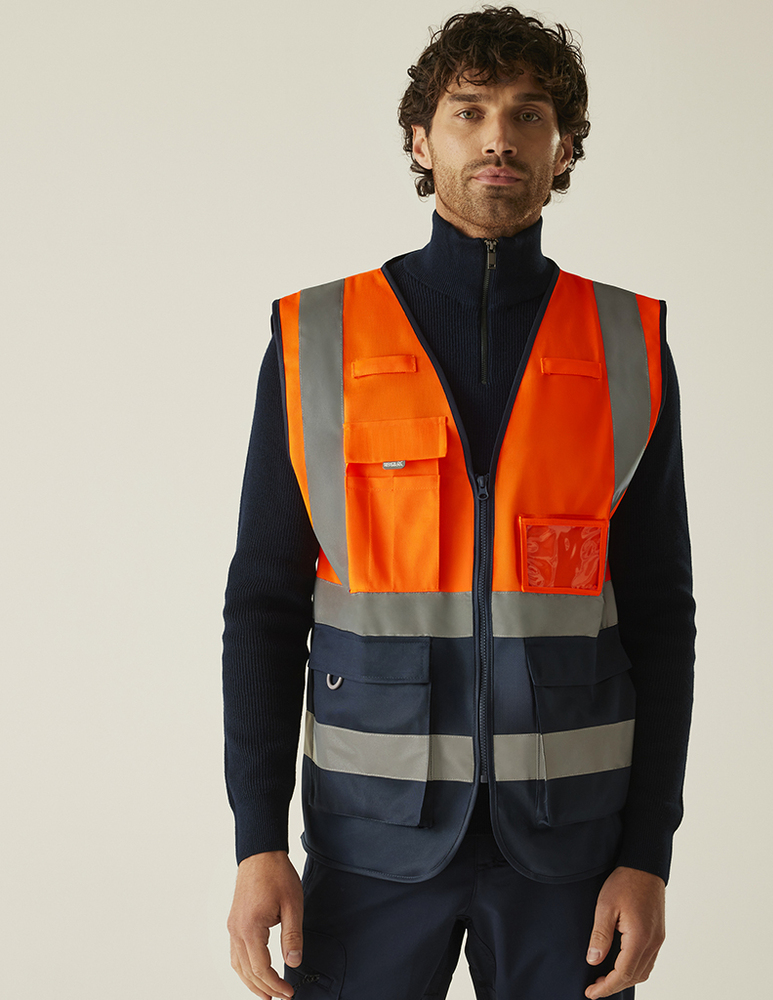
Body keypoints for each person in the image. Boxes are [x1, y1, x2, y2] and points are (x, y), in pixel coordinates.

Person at [223, 6, 696, 999]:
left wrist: (647, 851)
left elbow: (661, 617)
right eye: (469, 110)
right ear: (419, 139)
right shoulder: (317, 341)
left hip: (572, 852)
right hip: (368, 844)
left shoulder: (627, 345)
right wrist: (257, 839)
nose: (498, 138)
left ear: (562, 148)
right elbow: (264, 605)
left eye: (529, 114)